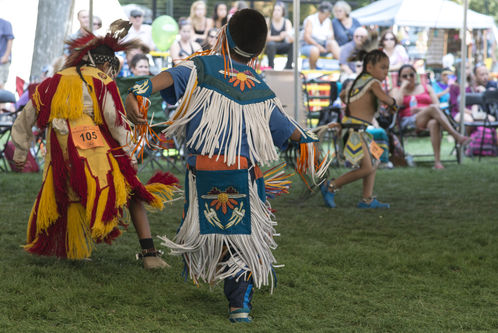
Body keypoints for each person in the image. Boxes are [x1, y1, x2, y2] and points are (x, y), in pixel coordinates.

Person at [125, 9, 325, 323]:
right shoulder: (259, 86)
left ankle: (223, 281)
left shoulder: (201, 66)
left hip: (202, 172)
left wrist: (138, 93)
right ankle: (239, 305)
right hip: (244, 176)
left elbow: (162, 81)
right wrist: (310, 143)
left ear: (225, 36)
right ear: (258, 50)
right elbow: (286, 129)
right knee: (242, 240)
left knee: (214, 233)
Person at [11, 20, 177, 268]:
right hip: (91, 144)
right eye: (112, 68)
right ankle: (148, 253)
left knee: (67, 191)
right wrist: (129, 153)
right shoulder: (102, 80)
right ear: (105, 63)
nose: (112, 74)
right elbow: (115, 121)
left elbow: (27, 115)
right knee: (117, 186)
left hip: (58, 144)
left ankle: (72, 247)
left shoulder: (54, 79)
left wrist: (21, 153)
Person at [321, 50, 398, 209]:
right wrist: (394, 103)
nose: (386, 71)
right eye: (383, 67)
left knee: (375, 159)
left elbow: (343, 95)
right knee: (367, 167)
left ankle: (367, 199)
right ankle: (331, 186)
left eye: (387, 68)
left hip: (355, 130)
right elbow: (385, 98)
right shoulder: (373, 82)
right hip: (354, 132)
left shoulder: (358, 81)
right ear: (369, 67)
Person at [390, 64, 471, 169]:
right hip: (408, 120)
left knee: (434, 122)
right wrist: (402, 88)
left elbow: (437, 105)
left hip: (430, 117)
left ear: (416, 75)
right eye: (405, 76)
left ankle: (437, 162)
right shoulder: (396, 90)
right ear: (400, 78)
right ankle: (456, 135)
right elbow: (395, 105)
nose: (409, 78)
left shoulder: (426, 87)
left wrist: (421, 109)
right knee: (432, 109)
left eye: (411, 74)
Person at [301, 1, 340, 69]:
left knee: (333, 43)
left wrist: (328, 46)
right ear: (321, 12)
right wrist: (318, 46)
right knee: (315, 50)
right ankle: (313, 70)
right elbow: (307, 37)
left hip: (324, 45)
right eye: (326, 14)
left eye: (329, 14)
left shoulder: (328, 21)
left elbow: (331, 38)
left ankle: (343, 66)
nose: (328, 16)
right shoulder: (310, 19)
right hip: (309, 46)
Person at [265, 1, 293, 69]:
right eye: (274, 10)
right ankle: (271, 68)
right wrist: (280, 37)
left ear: (282, 12)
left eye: (278, 10)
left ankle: (288, 67)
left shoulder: (287, 22)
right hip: (269, 48)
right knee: (271, 44)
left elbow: (291, 39)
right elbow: (267, 38)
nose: (276, 12)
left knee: (292, 46)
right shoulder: (268, 21)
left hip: (282, 46)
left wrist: (288, 35)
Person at [0, 18, 14, 89]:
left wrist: (6, 56)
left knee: (0, 86)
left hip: (2, 62)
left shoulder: (5, 24)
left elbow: (10, 39)